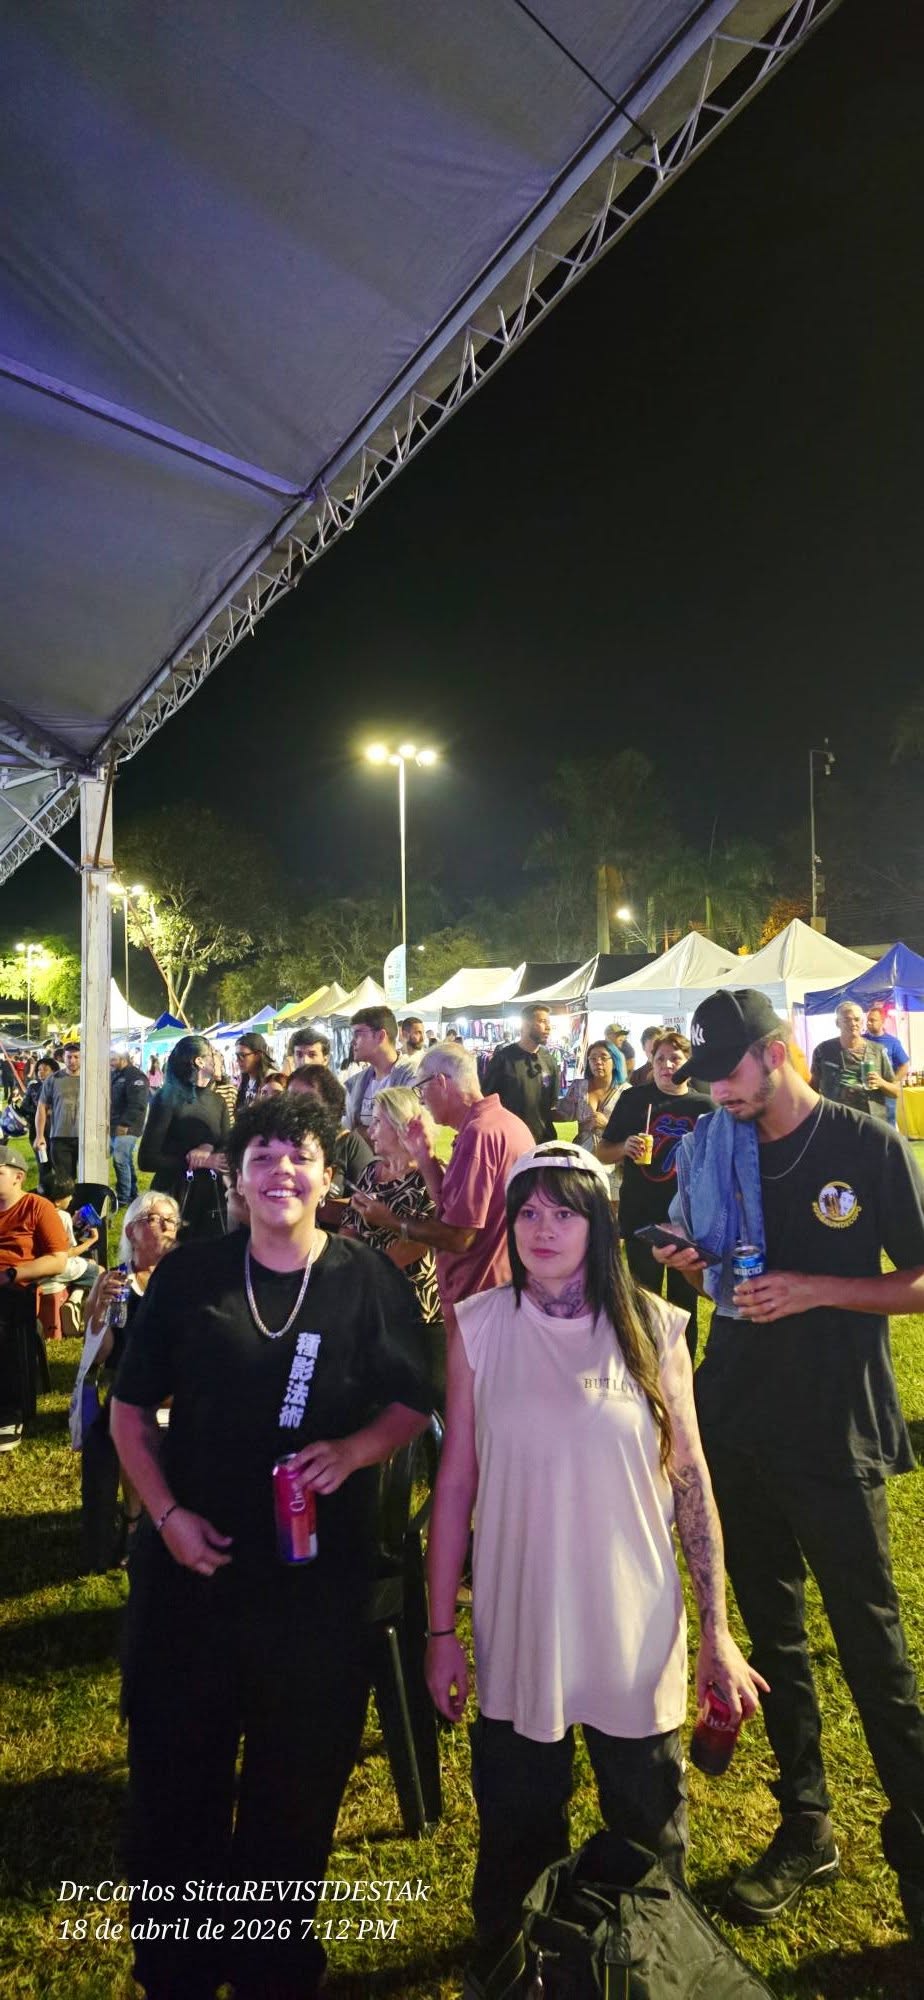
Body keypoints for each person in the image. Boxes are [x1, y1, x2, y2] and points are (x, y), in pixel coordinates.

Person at [110, 1091, 433, 2000]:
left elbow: (415, 1399)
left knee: (296, 1788)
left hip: (312, 1582)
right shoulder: (191, 1276)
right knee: (176, 1783)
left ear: (328, 1177)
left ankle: (270, 1963)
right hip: (195, 1572)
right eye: (262, 1156)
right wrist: (167, 1517)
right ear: (238, 1180)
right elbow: (129, 1413)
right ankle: (176, 1965)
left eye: (300, 1156)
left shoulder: (365, 1279)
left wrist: (355, 1450)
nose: (281, 1171)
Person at [425, 1141, 764, 1978]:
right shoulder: (479, 1327)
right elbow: (456, 1481)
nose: (541, 1231)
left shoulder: (652, 1326)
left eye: (563, 1213)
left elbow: (691, 1481)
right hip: (522, 1627)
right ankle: (518, 1976)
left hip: (632, 1631)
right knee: (516, 1843)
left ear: (600, 1224)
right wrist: (440, 1632)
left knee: (648, 1843)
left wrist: (717, 1631)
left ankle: (650, 1976)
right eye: (527, 1213)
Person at [656, 987, 924, 1937]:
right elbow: (724, 1277)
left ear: (775, 1053)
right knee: (773, 1637)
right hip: (736, 1419)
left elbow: (920, 1279)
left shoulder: (865, 1144)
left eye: (728, 1072)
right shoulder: (717, 1146)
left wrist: (816, 1288)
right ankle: (806, 1821)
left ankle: (916, 1841)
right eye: (706, 1076)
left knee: (872, 1644)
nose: (717, 1092)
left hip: (831, 1426)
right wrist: (697, 1267)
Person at [383, 1040, 533, 1333]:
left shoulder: (479, 1134)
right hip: (501, 1288)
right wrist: (424, 1157)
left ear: (440, 1082)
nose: (422, 1100)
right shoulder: (505, 1123)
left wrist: (391, 1221)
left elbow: (459, 1237)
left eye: (421, 1088)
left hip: (480, 1294)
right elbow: (451, 1207)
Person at [78, 1192, 181, 1566]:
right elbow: (100, 1355)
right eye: (154, 1218)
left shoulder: (185, 1279)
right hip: (132, 1388)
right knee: (128, 1424)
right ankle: (135, 1517)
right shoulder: (115, 1281)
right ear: (131, 1231)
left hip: (180, 1389)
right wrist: (99, 1310)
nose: (165, 1225)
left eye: (171, 1219)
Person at [598, 1031, 713, 1359]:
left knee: (683, 1305)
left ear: (688, 1063)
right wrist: (624, 1147)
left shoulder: (704, 1107)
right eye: (659, 1058)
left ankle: (682, 1370)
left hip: (687, 1222)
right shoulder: (635, 1100)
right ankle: (643, 1366)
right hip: (642, 1217)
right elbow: (603, 1152)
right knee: (642, 1300)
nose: (666, 1065)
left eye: (675, 1058)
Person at [344, 1086, 445, 1399]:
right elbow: (349, 1227)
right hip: (370, 1300)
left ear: (401, 1126)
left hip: (414, 1306)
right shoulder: (371, 1171)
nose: (369, 1130)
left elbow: (420, 1242)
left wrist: (363, 1270)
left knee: (418, 1396)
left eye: (377, 1122)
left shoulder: (430, 1175)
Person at [0, 1144, 69, 1450]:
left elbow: (58, 1260)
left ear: (18, 1177)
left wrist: (12, 1274)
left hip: (15, 1287)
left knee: (6, 1311)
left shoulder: (37, 1207)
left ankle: (10, 1409)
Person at [137, 1035, 230, 1239]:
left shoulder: (218, 1101)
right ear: (200, 1061)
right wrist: (196, 1161)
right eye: (214, 1053)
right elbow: (146, 1159)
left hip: (211, 1200)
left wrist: (208, 1147)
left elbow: (226, 1146)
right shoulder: (167, 1099)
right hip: (175, 1198)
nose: (220, 1058)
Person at [286, 1064, 373, 1205]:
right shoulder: (281, 1141)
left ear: (328, 1102)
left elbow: (370, 1201)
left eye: (308, 1099)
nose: (298, 1105)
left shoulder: (349, 1143)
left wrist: (321, 1207)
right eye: (292, 1097)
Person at [482, 1004, 560, 1144]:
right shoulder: (503, 1059)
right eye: (542, 1021)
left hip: (543, 1141)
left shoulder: (549, 1060)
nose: (548, 1027)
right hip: (511, 1141)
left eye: (549, 1022)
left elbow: (552, 1104)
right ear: (525, 1024)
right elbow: (487, 1101)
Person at [810, 1000, 897, 1123]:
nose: (853, 1023)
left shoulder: (878, 1051)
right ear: (837, 1023)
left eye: (857, 1019)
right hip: (836, 1120)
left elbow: (895, 1092)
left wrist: (881, 1083)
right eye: (847, 1020)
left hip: (871, 1122)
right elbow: (813, 1087)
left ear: (862, 1022)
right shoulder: (823, 1050)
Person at [554, 1040, 625, 1176]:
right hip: (581, 1158)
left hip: (612, 1160)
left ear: (615, 1062)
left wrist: (607, 1125)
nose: (598, 1062)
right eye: (593, 1058)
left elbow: (633, 1131)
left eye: (603, 1057)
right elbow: (562, 1114)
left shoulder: (626, 1092)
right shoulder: (578, 1086)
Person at [344, 1005, 417, 1132]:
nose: (352, 1042)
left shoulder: (413, 1076)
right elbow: (348, 1135)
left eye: (358, 1035)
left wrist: (362, 1132)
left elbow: (411, 1132)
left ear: (380, 1036)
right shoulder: (355, 1084)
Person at [34, 1041, 81, 1182]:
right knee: (64, 1180)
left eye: (76, 1057)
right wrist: (39, 1136)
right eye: (69, 1057)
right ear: (63, 1058)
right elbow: (41, 1107)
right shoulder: (53, 1079)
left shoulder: (91, 1079)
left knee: (88, 1180)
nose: (72, 1060)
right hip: (60, 1137)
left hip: (86, 1137)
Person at [110, 1052, 150, 1208]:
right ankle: (132, 1193)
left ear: (124, 1059)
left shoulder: (135, 1076)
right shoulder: (117, 1074)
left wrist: (125, 1124)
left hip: (128, 1127)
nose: (111, 1063)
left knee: (120, 1160)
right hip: (117, 1124)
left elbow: (138, 1104)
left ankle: (123, 1197)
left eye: (114, 1059)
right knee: (125, 1160)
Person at [864, 1003, 910, 1128]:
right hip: (867, 1091)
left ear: (882, 1022)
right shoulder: (862, 1040)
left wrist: (892, 1082)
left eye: (873, 1020)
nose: (868, 1023)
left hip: (886, 1092)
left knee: (887, 1125)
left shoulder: (893, 1042)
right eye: (868, 1020)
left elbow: (904, 1065)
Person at [234, 1032, 275, 1112]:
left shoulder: (272, 1079)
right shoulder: (245, 1080)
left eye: (242, 1055)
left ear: (258, 1055)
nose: (237, 1060)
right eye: (237, 1055)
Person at [631, 1025, 663, 1090]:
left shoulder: (672, 1071)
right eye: (652, 1051)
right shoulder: (636, 1076)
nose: (655, 1054)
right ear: (643, 1047)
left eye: (657, 1048)